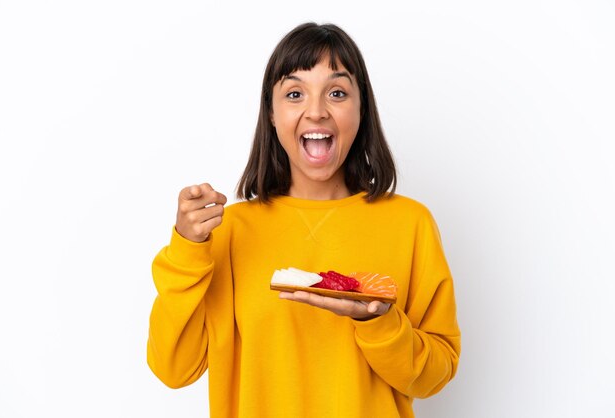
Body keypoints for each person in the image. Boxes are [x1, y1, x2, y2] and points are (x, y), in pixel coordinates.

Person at [147, 22, 460, 418]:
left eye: (337, 92)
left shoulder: (410, 223)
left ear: (361, 110)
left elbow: (434, 377)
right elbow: (173, 369)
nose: (316, 111)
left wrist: (379, 321)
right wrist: (187, 249)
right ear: (272, 114)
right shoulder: (227, 232)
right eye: (295, 94)